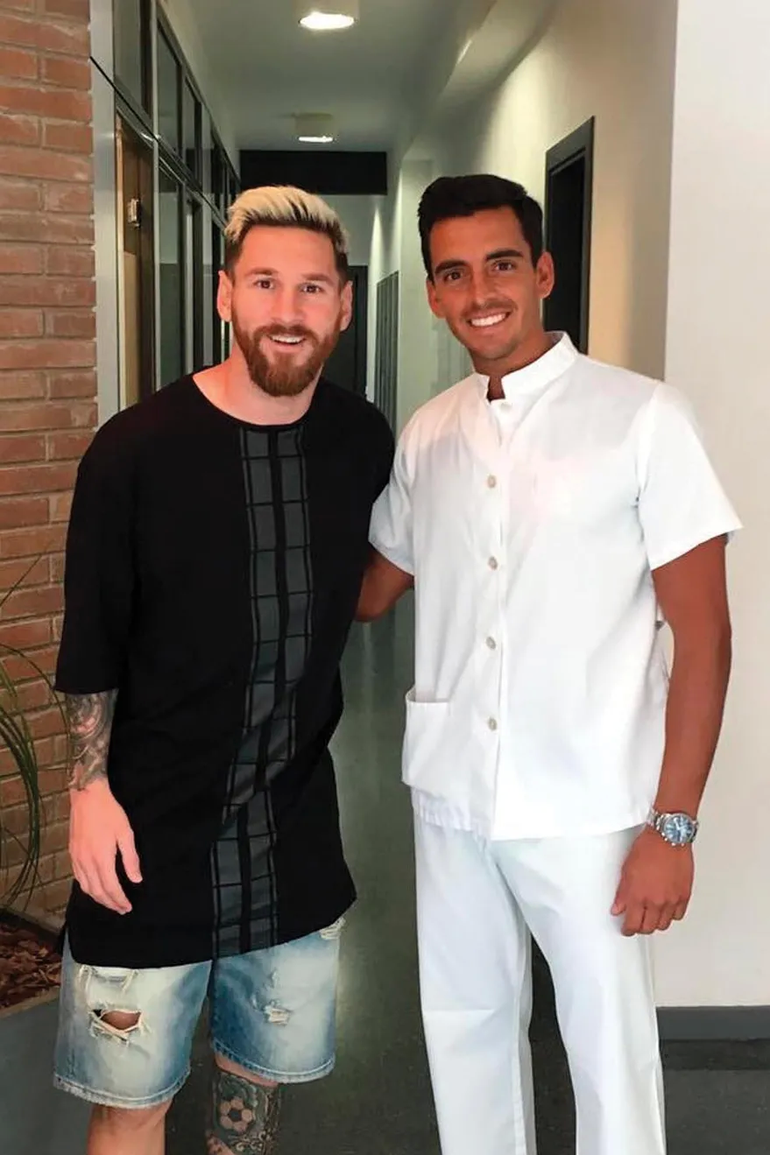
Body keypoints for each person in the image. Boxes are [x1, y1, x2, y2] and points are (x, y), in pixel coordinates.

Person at [358, 173, 741, 1155]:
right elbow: (371, 587)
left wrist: (673, 826)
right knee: (465, 1030)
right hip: (452, 793)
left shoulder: (642, 418)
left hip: (590, 804)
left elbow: (704, 636)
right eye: (453, 273)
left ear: (542, 272)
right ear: (432, 293)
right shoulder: (428, 433)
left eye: (500, 264)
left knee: (608, 1048)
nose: (479, 291)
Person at [53, 185, 393, 1155]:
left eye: (312, 287)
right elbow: (93, 637)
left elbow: (376, 579)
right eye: (264, 283)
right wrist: (88, 792)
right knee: (131, 1105)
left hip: (290, 839)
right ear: (224, 295)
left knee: (252, 1102)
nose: (287, 309)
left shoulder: (360, 439)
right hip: (144, 841)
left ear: (343, 305)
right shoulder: (134, 451)